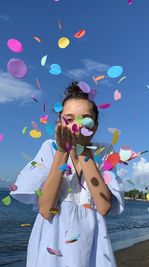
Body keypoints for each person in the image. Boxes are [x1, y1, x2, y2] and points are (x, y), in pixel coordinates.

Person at [10, 81, 124, 267]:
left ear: (95, 126)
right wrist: (62, 152)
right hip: (52, 245)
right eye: (69, 119)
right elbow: (46, 209)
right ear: (59, 123)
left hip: (93, 246)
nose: (76, 126)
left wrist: (83, 150)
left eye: (85, 120)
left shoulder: (105, 152)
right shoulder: (50, 148)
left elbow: (103, 207)